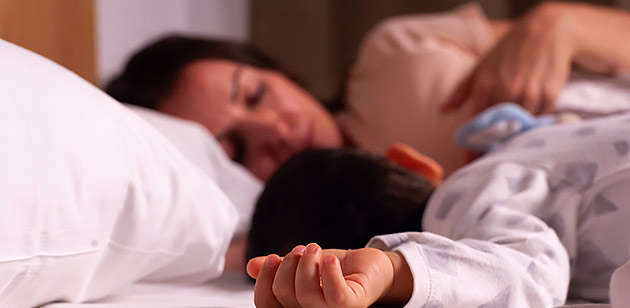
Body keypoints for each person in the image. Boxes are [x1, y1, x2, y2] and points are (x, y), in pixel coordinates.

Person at [107, 2, 630, 180]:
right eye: (235, 150)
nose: (274, 132)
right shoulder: (333, 233)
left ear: (278, 70)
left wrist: (561, 23)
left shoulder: (395, 54)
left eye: (255, 94)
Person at [245, 111, 630, 308]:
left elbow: (529, 276)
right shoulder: (515, 147)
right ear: (411, 161)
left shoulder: (464, 204)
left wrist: (395, 270)